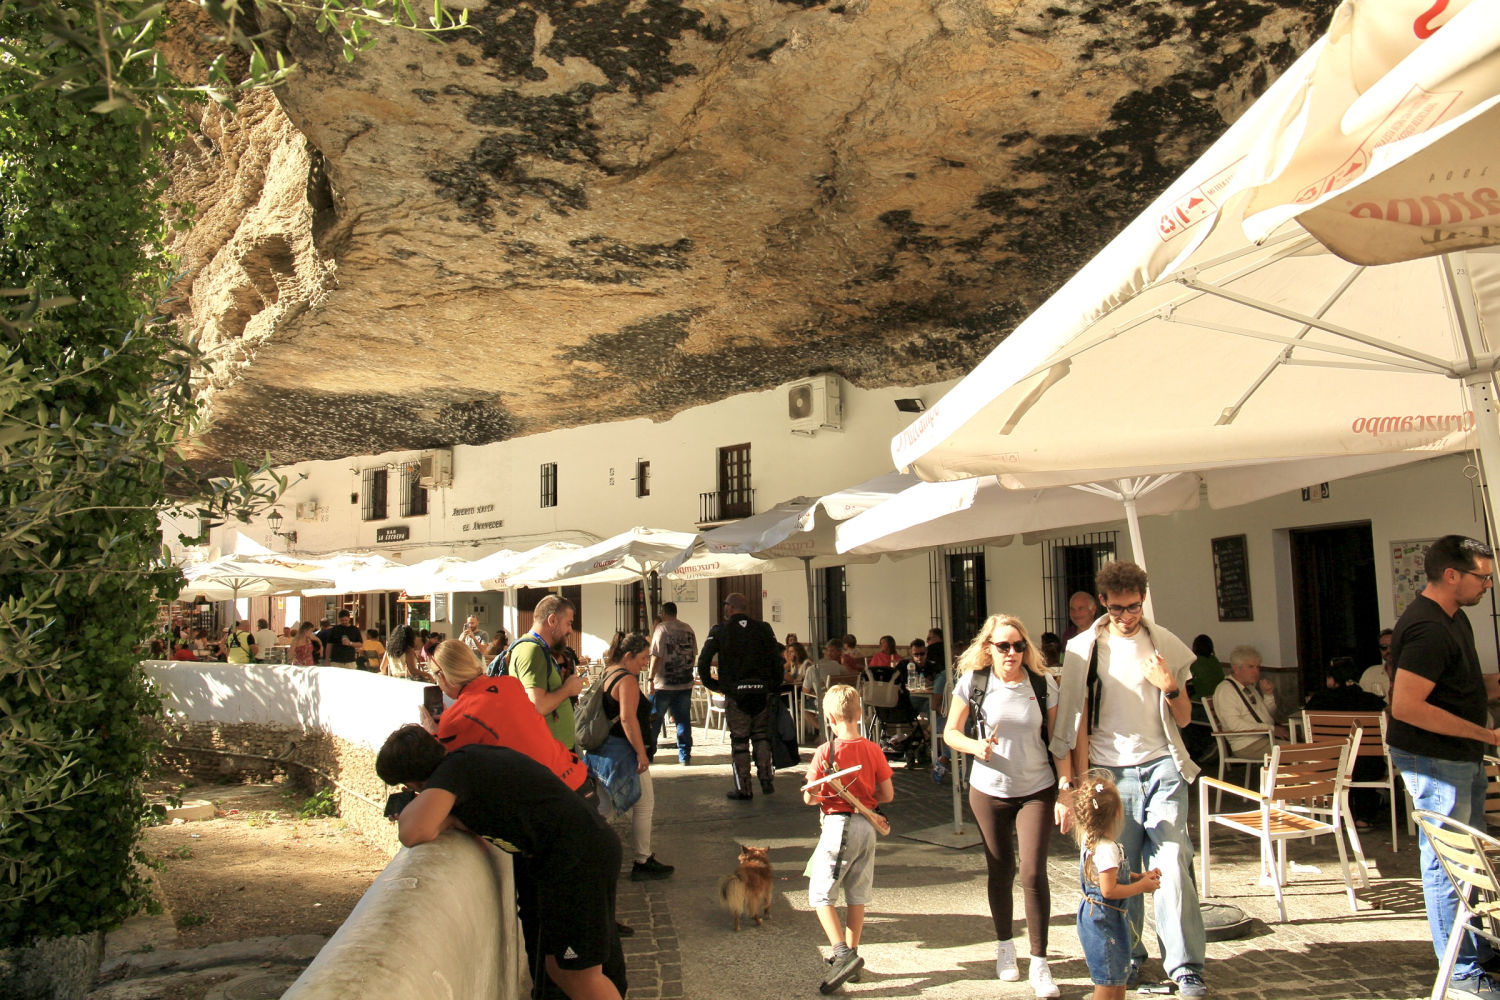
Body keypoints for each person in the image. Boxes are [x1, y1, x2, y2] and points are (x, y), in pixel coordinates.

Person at [376, 726, 626, 1000]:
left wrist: (424, 806)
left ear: (413, 783)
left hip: (577, 863)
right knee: (559, 968)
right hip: (577, 856)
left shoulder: (456, 771)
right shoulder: (467, 762)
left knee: (578, 974)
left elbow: (413, 832)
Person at [1051, 560, 1206, 997]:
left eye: (1134, 606)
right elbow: (1071, 720)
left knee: (1173, 861)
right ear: (1104, 602)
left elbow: (1186, 716)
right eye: (1118, 608)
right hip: (1107, 771)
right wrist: (1072, 782)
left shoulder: (1164, 644)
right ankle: (1131, 958)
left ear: (1143, 599)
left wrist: (1170, 684)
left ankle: (1185, 967)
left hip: (1162, 764)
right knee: (1121, 867)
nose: (1126, 616)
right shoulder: (1084, 648)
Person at [1388, 535, 1500, 999]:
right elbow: (1407, 706)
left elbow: (1464, 685)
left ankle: (1477, 946)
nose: (1488, 585)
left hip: (1460, 756)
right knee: (1446, 862)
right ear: (1451, 575)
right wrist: (1489, 736)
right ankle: (1460, 969)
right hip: (1434, 759)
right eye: (1482, 576)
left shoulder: (1456, 618)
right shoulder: (1427, 627)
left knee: (1471, 859)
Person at [944, 614, 1060, 999]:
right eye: (1003, 646)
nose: (1011, 652)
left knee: (1032, 871)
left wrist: (1069, 788)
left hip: (1036, 788)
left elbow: (1059, 740)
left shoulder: (1042, 684)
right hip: (988, 789)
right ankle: (1005, 947)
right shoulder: (974, 683)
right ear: (988, 648)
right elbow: (951, 733)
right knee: (1000, 869)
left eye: (1018, 645)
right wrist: (976, 747)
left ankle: (1040, 962)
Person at [803, 684, 894, 995]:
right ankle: (852, 961)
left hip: (839, 825)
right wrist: (866, 797)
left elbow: (810, 799)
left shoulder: (825, 752)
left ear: (829, 717)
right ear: (859, 713)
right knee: (857, 892)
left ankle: (841, 953)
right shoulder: (873, 749)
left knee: (820, 894)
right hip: (868, 826)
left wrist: (817, 792)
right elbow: (887, 794)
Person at [587, 632, 673, 882]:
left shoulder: (609, 671)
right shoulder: (626, 680)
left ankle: (587, 851)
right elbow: (628, 718)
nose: (646, 663)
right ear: (629, 656)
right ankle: (642, 860)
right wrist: (640, 752)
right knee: (642, 805)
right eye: (644, 658)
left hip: (605, 751)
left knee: (606, 807)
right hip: (623, 753)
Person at [1071, 769, 1162, 1000]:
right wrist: (1142, 888)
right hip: (1104, 920)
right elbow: (1108, 889)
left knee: (1117, 978)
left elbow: (1109, 876)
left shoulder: (1091, 841)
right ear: (1118, 813)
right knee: (1107, 981)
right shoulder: (1107, 848)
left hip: (1102, 918)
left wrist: (1138, 877)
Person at [697, 592, 782, 800]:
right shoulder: (763, 629)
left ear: (729, 607)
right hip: (761, 692)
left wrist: (714, 685)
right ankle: (766, 778)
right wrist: (772, 684)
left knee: (740, 741)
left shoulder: (720, 631)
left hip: (736, 694)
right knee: (761, 736)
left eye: (725, 605)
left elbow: (703, 661)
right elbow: (777, 659)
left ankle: (744, 787)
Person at [1305, 655, 1388, 831]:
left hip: (1329, 766)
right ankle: (1364, 817)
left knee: (1344, 760)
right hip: (1366, 768)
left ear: (1332, 680)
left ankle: (1338, 811)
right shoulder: (1372, 702)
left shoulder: (1317, 702)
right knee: (1362, 760)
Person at [513, 595, 586, 751]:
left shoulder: (540, 650)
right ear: (552, 620)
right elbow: (537, 705)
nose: (571, 631)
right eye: (569, 623)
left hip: (553, 751)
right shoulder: (532, 650)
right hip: (546, 754)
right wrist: (568, 689)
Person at [1209, 645, 1288, 759]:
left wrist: (1268, 694)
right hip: (1248, 744)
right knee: (1299, 752)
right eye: (1251, 667)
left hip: (1265, 737)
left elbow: (1266, 715)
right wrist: (1271, 729)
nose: (1256, 671)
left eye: (1258, 667)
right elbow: (1234, 725)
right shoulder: (1226, 690)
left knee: (1305, 748)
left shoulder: (1249, 687)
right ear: (1236, 668)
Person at [648, 601, 698, 766]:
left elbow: (656, 655)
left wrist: (650, 678)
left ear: (663, 612)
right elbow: (694, 653)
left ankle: (649, 752)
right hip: (684, 683)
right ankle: (685, 755)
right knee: (683, 719)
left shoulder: (661, 629)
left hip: (664, 683)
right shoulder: (688, 628)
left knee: (654, 719)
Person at [802, 640, 849, 741]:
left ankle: (823, 728)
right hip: (838, 699)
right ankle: (829, 728)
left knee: (802, 706)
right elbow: (848, 673)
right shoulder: (835, 665)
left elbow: (805, 691)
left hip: (822, 702)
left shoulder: (811, 669)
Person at [1360, 628, 1395, 700]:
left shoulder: (1412, 673)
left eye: (1393, 646)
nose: (1389, 650)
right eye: (1384, 647)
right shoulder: (1370, 674)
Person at [1188, 634, 1222, 700]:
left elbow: (1185, 679)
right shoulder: (1214, 660)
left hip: (1204, 697)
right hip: (1219, 695)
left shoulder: (1195, 662)